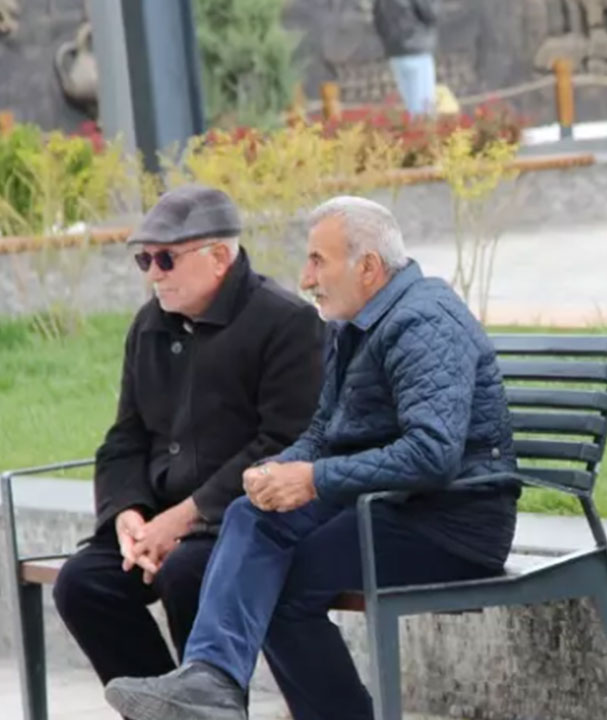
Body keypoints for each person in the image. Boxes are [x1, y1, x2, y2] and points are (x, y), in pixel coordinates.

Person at [103, 196, 521, 720]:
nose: (305, 278)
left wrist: (315, 478)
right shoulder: (354, 325)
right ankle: (211, 681)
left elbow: (433, 454)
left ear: (368, 267)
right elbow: (324, 431)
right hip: (388, 504)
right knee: (251, 512)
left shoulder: (423, 322)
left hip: (452, 522)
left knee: (285, 584)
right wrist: (277, 472)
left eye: (318, 261)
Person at [52, 185, 325, 695]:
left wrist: (186, 517)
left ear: (219, 257)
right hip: (159, 518)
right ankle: (165, 706)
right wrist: (127, 513)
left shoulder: (286, 322)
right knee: (84, 583)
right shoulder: (148, 325)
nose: (153, 273)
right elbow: (126, 436)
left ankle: (205, 705)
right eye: (144, 259)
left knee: (186, 574)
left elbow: (286, 441)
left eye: (166, 259)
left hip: (239, 521)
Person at [373, 0, 439, 117]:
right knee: (425, 109)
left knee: (412, 106)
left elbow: (378, 20)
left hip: (396, 52)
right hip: (418, 49)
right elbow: (432, 13)